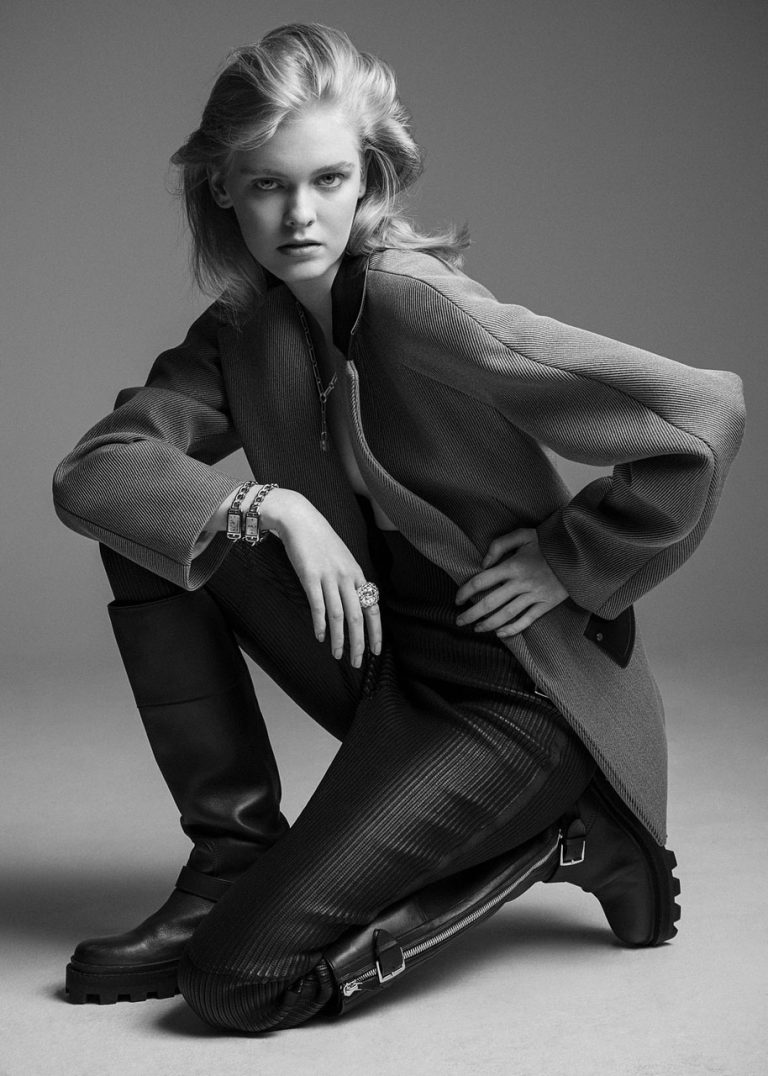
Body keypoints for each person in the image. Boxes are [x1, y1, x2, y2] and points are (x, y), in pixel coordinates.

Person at [52, 23, 744, 1031]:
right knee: (151, 525)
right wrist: (272, 505)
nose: (300, 215)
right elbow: (97, 472)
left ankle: (569, 833)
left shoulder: (418, 304)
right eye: (267, 184)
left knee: (237, 980)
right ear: (222, 189)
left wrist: (572, 560)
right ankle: (229, 860)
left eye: (328, 179)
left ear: (368, 177)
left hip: (512, 688)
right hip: (382, 653)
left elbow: (699, 414)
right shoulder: (242, 333)